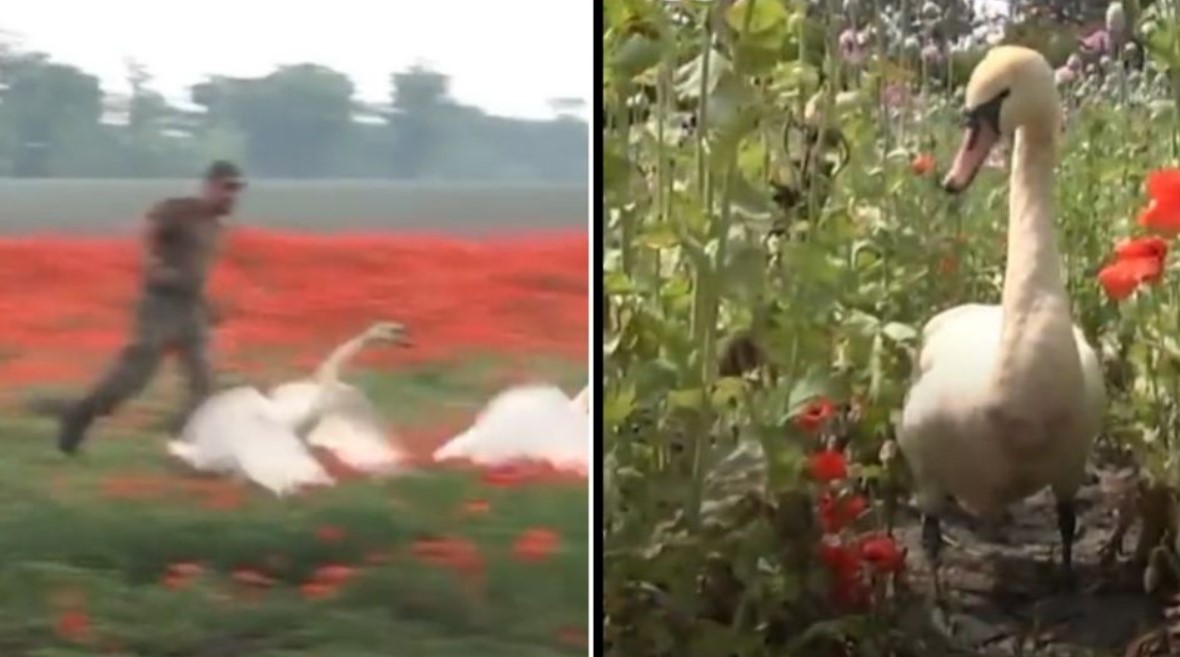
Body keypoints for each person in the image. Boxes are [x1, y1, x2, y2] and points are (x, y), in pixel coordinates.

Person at [55, 160, 246, 455]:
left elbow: (195, 269)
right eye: (227, 188)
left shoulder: (216, 225)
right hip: (160, 306)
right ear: (210, 186)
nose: (232, 195)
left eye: (237, 189)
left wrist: (207, 305)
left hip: (191, 309)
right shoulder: (180, 210)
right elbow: (146, 231)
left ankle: (186, 442)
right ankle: (80, 415)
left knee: (205, 385)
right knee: (132, 379)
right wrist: (153, 266)